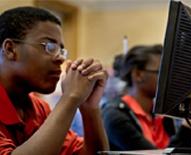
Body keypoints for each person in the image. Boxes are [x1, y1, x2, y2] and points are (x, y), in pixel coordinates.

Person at [0, 6, 109, 155]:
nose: (61, 58)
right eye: (49, 46)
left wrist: (89, 108)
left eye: (61, 50)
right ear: (10, 49)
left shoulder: (39, 108)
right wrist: (70, 98)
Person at [102, 44, 176, 150]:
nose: (167, 79)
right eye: (161, 72)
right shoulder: (115, 116)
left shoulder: (161, 115)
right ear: (138, 74)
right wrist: (186, 129)